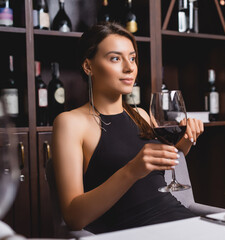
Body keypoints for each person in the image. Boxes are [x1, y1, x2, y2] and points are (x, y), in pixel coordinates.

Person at [51, 21, 204, 234]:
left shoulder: (140, 114)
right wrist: (132, 170)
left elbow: (167, 161)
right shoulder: (70, 123)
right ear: (88, 66)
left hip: (181, 222)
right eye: (115, 58)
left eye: (132, 58)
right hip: (134, 232)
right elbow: (74, 217)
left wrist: (186, 140)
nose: (129, 67)